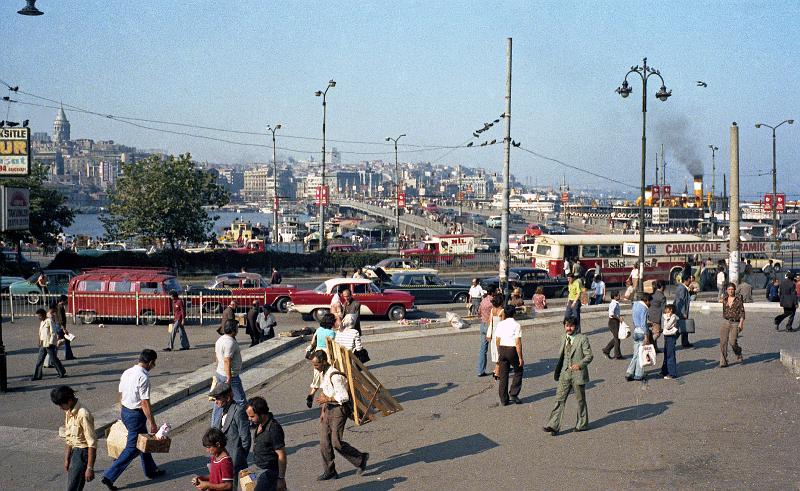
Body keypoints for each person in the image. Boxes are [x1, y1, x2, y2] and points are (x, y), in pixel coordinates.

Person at [101, 349, 165, 490]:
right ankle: (109, 476)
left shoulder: (127, 372)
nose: (153, 366)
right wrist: (152, 423)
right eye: (153, 364)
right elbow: (144, 403)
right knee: (132, 448)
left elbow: (121, 394)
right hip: (136, 415)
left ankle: (151, 470)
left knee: (144, 441)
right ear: (149, 363)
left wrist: (123, 413)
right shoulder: (143, 377)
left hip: (126, 411)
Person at [309, 351, 368, 480]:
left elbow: (344, 397)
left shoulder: (334, 376)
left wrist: (327, 400)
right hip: (328, 409)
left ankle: (360, 458)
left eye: (316, 365)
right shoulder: (323, 373)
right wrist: (323, 411)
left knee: (336, 442)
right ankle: (330, 471)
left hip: (339, 410)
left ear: (324, 362)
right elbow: (325, 392)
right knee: (324, 442)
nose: (315, 368)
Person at [542, 317, 593, 436]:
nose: (569, 328)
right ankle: (553, 425)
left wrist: (579, 365)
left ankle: (582, 424)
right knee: (559, 399)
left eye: (571, 326)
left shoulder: (582, 339)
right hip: (565, 374)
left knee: (580, 400)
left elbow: (589, 356)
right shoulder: (563, 337)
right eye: (567, 326)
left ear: (576, 326)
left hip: (578, 374)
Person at [51, 385, 96, 491]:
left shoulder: (83, 414)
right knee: (72, 486)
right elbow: (69, 438)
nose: (60, 408)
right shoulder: (68, 411)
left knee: (74, 487)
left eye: (61, 405)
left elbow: (92, 443)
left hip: (83, 453)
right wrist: (67, 459)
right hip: (74, 453)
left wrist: (90, 467)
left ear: (70, 400)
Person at [210, 382, 251, 490]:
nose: (216, 401)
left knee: (238, 487)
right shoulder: (222, 410)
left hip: (236, 461)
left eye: (218, 398)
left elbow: (245, 438)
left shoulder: (238, 411)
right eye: (215, 399)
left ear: (228, 398)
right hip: (224, 460)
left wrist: (240, 457)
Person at [245, 397, 287, 491]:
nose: (249, 419)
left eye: (252, 416)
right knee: (246, 484)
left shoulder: (273, 429)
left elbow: (281, 455)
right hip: (258, 469)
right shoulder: (259, 424)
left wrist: (281, 478)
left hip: (269, 473)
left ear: (262, 414)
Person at [212, 320, 246, 427]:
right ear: (232, 329)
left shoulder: (220, 340)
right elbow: (227, 360)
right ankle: (243, 422)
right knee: (240, 400)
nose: (237, 329)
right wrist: (229, 377)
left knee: (219, 400)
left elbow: (217, 357)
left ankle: (215, 425)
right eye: (236, 327)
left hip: (220, 372)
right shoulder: (230, 342)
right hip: (230, 376)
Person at [494, 305, 524, 406]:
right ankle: (514, 393)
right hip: (512, 349)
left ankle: (503, 399)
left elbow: (497, 340)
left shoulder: (500, 324)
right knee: (518, 370)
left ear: (505, 314)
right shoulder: (517, 325)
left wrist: (499, 351)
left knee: (503, 375)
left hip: (502, 348)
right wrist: (520, 357)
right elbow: (518, 343)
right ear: (514, 313)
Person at [32, 308, 67, 380]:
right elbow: (40, 333)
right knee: (40, 360)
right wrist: (39, 342)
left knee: (54, 359)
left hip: (49, 344)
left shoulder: (49, 321)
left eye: (40, 316)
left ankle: (61, 372)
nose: (39, 317)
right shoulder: (42, 322)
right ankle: (37, 376)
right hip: (43, 344)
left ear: (44, 314)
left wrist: (51, 342)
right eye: (38, 316)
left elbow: (53, 332)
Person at [626, 293, 651, 382]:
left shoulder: (635, 305)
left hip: (636, 330)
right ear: (646, 300)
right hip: (641, 331)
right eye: (649, 301)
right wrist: (646, 336)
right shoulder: (644, 308)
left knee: (636, 353)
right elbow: (644, 323)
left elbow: (634, 319)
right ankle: (638, 374)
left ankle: (629, 372)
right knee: (641, 354)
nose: (649, 304)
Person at [721, 282, 745, 367]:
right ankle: (723, 362)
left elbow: (742, 312)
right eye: (729, 289)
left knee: (732, 341)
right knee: (723, 342)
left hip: (735, 323)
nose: (731, 291)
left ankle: (738, 352)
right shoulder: (724, 299)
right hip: (726, 321)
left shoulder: (738, 300)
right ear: (727, 290)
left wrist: (741, 323)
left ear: (734, 290)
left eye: (732, 289)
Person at [476, 286, 496, 377]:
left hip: (483, 324)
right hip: (490, 325)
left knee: (483, 349)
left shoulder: (483, 300)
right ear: (493, 292)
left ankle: (480, 370)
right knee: (497, 347)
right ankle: (499, 367)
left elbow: (478, 313)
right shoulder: (493, 302)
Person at [602, 291, 624, 360]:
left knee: (617, 338)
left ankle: (607, 350)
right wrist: (619, 318)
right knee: (617, 339)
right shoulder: (613, 304)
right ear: (615, 297)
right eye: (618, 295)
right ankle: (617, 355)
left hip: (615, 321)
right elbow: (611, 314)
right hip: (613, 322)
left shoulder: (615, 303)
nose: (619, 296)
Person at [674, 274, 694, 348]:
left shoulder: (683, 287)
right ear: (685, 280)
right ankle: (673, 340)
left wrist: (690, 292)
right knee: (682, 326)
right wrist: (682, 313)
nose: (690, 282)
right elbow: (681, 301)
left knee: (684, 326)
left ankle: (685, 342)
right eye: (689, 281)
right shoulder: (682, 288)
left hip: (684, 310)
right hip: (682, 311)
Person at [660, 304, 679, 379]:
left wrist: (666, 318)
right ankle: (665, 370)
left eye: (667, 309)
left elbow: (667, 326)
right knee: (666, 353)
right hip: (667, 336)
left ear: (671, 310)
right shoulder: (667, 316)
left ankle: (672, 373)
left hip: (671, 336)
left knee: (670, 354)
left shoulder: (673, 317)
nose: (665, 310)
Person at [648, 280, 666, 353]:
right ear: (662, 287)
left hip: (650, 315)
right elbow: (664, 309)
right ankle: (649, 344)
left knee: (653, 332)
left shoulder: (652, 294)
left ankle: (655, 348)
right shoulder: (662, 297)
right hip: (656, 317)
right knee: (657, 333)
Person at [57, 295, 76, 360]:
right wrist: (64, 329)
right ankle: (53, 357)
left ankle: (68, 355)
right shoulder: (60, 307)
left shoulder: (60, 306)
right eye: (66, 300)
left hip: (60, 327)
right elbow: (60, 319)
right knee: (58, 342)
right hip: (60, 327)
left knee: (66, 341)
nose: (66, 301)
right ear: (62, 300)